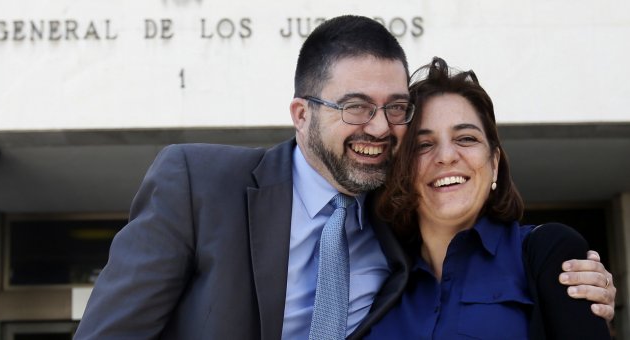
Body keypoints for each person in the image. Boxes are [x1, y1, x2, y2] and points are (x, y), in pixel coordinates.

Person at [74, 17, 615, 340]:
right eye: (355, 106)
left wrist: (577, 290)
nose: (378, 128)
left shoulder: (398, 228)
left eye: (396, 107)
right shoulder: (198, 182)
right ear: (302, 113)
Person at [367, 57, 612, 339]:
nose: (446, 156)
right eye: (423, 145)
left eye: (466, 139)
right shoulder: (377, 277)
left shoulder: (548, 254)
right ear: (403, 169)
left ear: (494, 162)